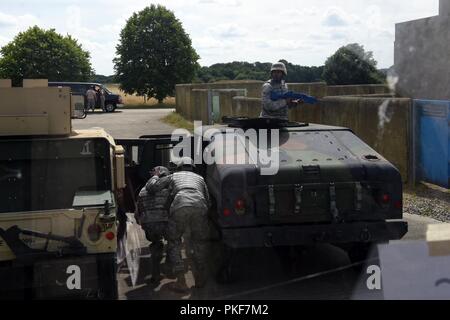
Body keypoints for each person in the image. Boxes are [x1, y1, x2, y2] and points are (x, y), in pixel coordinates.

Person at [146, 157, 212, 294]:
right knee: (199, 242)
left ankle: (181, 281)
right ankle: (199, 278)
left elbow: (152, 188)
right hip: (200, 206)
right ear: (193, 168)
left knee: (174, 242)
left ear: (179, 168)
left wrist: (155, 176)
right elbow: (208, 201)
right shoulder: (200, 179)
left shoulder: (174, 175)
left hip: (180, 205)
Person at [135, 166, 172, 283]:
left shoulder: (142, 190)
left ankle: (155, 274)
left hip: (149, 224)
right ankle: (171, 269)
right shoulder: (169, 188)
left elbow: (137, 213)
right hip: (165, 223)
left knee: (156, 244)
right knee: (173, 242)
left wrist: (144, 222)